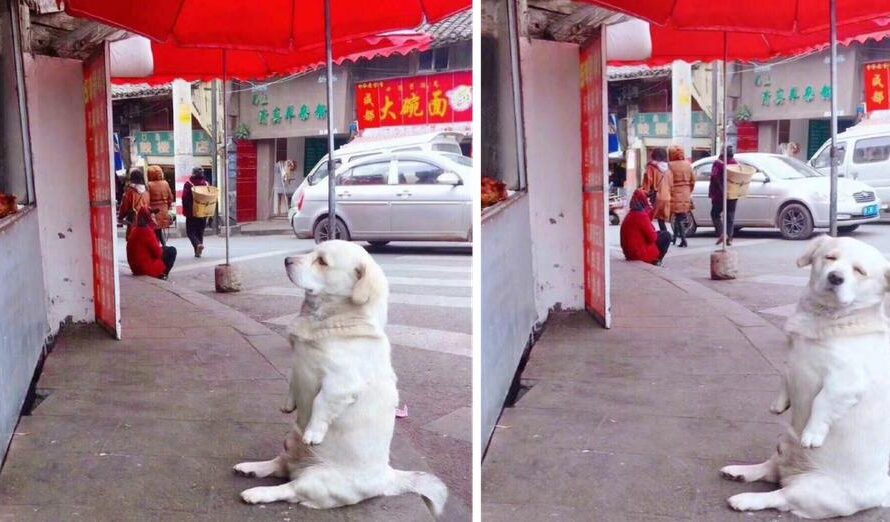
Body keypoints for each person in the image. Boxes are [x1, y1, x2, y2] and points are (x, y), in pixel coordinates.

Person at [620, 189, 671, 266]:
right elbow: (652, 237)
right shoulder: (641, 216)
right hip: (638, 255)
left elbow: (646, 220)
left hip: (629, 253)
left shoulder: (631, 214)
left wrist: (654, 208)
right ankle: (656, 261)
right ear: (643, 201)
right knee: (666, 236)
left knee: (661, 233)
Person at [126, 207, 177, 279]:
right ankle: (162, 274)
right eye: (152, 216)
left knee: (165, 249)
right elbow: (158, 253)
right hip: (145, 269)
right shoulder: (147, 232)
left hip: (135, 267)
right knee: (172, 250)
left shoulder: (134, 230)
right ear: (148, 218)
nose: (154, 218)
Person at [667, 145, 696, 248]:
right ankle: (675, 238)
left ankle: (683, 240)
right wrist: (688, 190)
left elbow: (668, 181)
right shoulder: (688, 164)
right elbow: (693, 180)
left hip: (675, 193)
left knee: (678, 217)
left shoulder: (670, 165)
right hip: (686, 192)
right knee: (680, 216)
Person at [709, 146, 738, 246]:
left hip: (719, 195)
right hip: (733, 194)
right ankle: (729, 238)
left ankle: (722, 233)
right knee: (730, 216)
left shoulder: (718, 164)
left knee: (715, 214)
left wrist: (722, 190)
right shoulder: (735, 164)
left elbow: (715, 178)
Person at [641, 148, 671, 232]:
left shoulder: (651, 168)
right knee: (661, 220)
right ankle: (665, 238)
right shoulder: (669, 169)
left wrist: (644, 194)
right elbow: (671, 184)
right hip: (667, 197)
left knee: (647, 218)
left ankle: (648, 236)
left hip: (655, 198)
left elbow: (647, 184)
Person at [182, 167, 209, 258]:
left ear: (193, 174)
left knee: (190, 232)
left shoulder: (189, 184)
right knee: (200, 232)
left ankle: (197, 245)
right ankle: (198, 252)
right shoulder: (206, 183)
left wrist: (187, 209)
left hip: (192, 213)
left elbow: (184, 198)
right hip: (203, 212)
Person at [118, 168, 150, 241]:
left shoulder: (130, 192)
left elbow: (124, 206)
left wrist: (120, 217)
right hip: (145, 222)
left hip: (133, 221)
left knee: (133, 242)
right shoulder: (147, 192)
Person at [147, 165, 174, 245]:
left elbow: (147, 199)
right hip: (164, 210)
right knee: (158, 230)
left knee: (154, 229)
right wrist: (167, 207)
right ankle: (163, 245)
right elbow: (170, 197)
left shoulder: (149, 185)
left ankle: (158, 247)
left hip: (154, 212)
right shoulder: (165, 183)